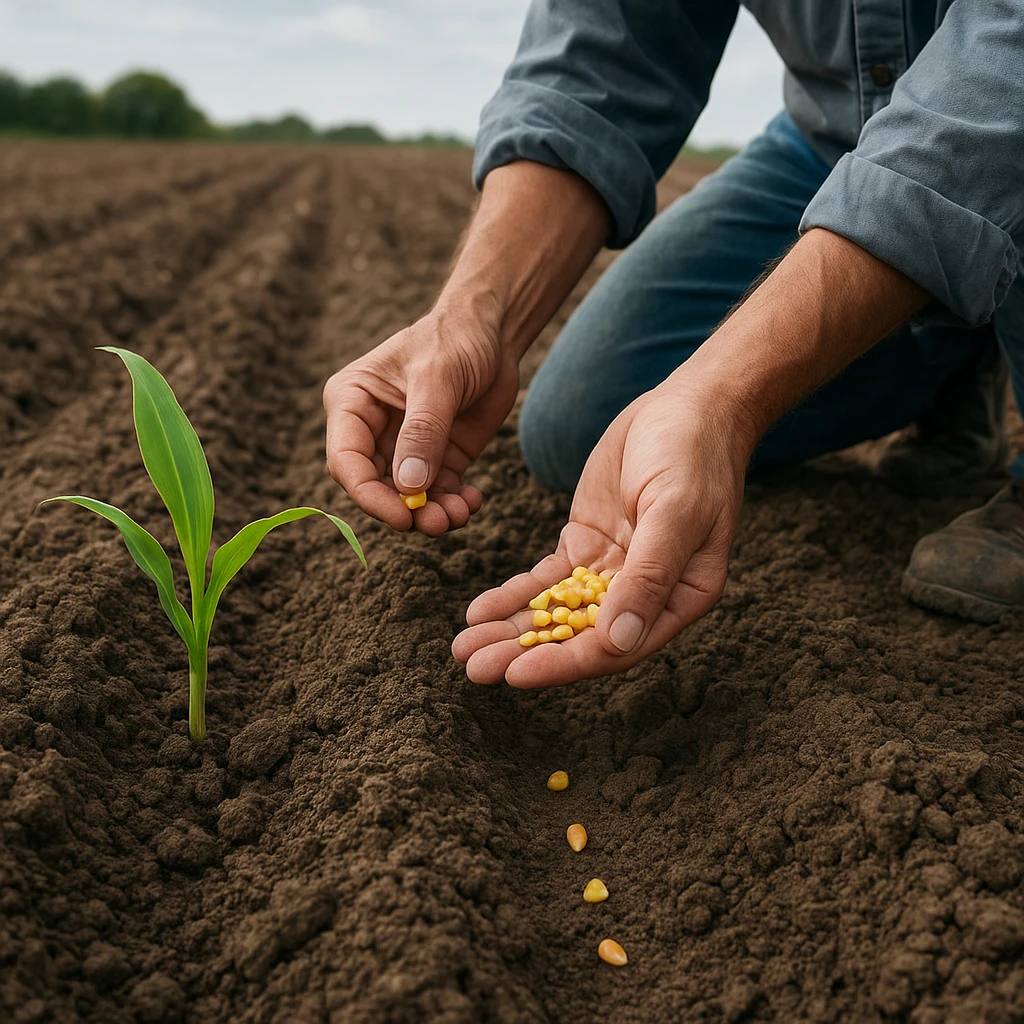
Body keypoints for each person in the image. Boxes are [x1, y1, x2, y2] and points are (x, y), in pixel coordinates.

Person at [323, 1, 1024, 688]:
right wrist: (476, 315)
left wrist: (722, 399)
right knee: (583, 422)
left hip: (1006, 109)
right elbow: (602, 51)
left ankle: (975, 289)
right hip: (838, 142)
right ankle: (960, 336)